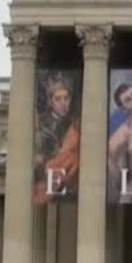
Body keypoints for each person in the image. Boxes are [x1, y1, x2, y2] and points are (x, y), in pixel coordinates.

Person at [34, 75, 80, 203]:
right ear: (51, 102)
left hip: (69, 178)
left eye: (66, 98)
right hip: (49, 178)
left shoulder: (74, 124)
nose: (63, 103)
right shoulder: (42, 124)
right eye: (58, 99)